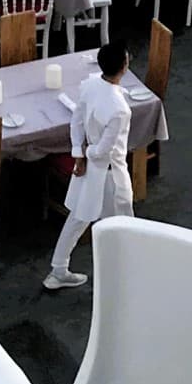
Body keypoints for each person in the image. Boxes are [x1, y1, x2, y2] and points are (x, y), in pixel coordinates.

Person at [44, 38, 134, 291]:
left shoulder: (91, 84)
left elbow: (77, 120)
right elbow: (103, 151)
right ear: (124, 66)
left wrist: (78, 154)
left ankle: (58, 270)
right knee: (125, 226)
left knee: (78, 219)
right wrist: (87, 152)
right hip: (111, 175)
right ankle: (126, 277)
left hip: (90, 170)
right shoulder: (120, 110)